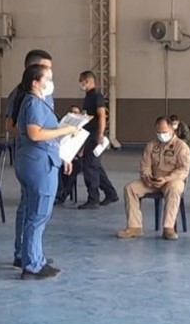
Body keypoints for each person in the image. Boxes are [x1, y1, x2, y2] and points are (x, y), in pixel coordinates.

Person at [14, 64, 77, 279]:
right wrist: (67, 130)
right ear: (35, 81)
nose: (50, 82)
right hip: (39, 162)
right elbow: (35, 133)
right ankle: (32, 266)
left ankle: (34, 257)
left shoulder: (36, 102)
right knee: (38, 214)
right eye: (47, 78)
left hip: (34, 160)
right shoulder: (33, 102)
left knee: (33, 212)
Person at [5, 49, 54, 268]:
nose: (50, 75)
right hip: (33, 156)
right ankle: (24, 255)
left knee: (36, 210)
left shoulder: (44, 96)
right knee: (31, 209)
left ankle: (32, 254)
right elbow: (16, 127)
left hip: (46, 154)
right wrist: (32, 137)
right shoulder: (21, 96)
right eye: (46, 70)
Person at [117, 117, 190, 241]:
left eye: (164, 132)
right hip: (153, 180)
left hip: (172, 180)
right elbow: (145, 165)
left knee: (175, 188)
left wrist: (166, 179)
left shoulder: (181, 147)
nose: (162, 135)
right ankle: (135, 227)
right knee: (130, 188)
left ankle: (168, 228)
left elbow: (183, 170)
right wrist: (146, 177)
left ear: (172, 129)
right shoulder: (151, 146)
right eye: (159, 132)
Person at [78, 70, 118, 209]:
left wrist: (100, 134)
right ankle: (111, 193)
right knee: (96, 165)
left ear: (87, 81)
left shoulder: (96, 96)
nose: (80, 84)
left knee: (89, 166)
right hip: (88, 134)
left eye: (81, 81)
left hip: (95, 135)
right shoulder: (88, 97)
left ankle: (93, 198)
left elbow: (102, 116)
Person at [55, 105, 83, 205]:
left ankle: (63, 194)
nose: (75, 114)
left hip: (75, 158)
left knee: (74, 168)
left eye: (77, 113)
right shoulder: (62, 127)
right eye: (73, 112)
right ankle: (58, 191)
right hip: (62, 157)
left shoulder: (82, 130)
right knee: (57, 167)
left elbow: (82, 150)